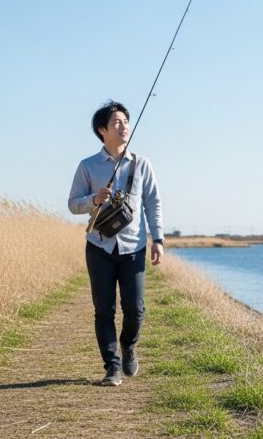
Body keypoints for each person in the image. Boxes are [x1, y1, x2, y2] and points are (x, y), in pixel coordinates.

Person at [67, 100, 164, 386]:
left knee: (135, 308)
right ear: (102, 130)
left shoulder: (141, 164)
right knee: (104, 310)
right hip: (99, 247)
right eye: (116, 122)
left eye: (125, 121)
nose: (123, 127)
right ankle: (112, 367)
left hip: (134, 247)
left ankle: (128, 345)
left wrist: (158, 239)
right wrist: (93, 199)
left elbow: (153, 203)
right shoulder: (87, 166)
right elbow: (73, 204)